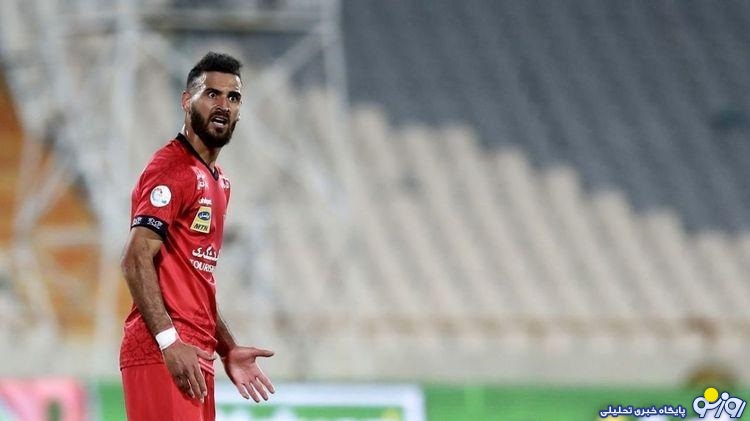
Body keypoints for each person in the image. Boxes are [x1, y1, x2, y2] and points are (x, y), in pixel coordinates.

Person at [119, 52, 274, 421]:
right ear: (187, 101)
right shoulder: (172, 169)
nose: (223, 105)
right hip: (162, 352)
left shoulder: (219, 183)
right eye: (212, 94)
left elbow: (193, 280)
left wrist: (227, 348)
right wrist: (169, 342)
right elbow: (135, 258)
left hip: (195, 356)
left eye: (233, 97)